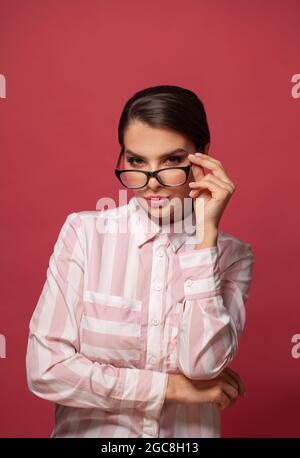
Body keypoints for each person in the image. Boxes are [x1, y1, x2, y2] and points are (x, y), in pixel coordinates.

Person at [26, 84, 255, 438]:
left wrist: (205, 237)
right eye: (136, 162)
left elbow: (204, 365)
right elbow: (47, 369)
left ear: (203, 158)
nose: (152, 184)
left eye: (172, 161)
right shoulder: (85, 234)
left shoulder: (233, 255)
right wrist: (171, 388)